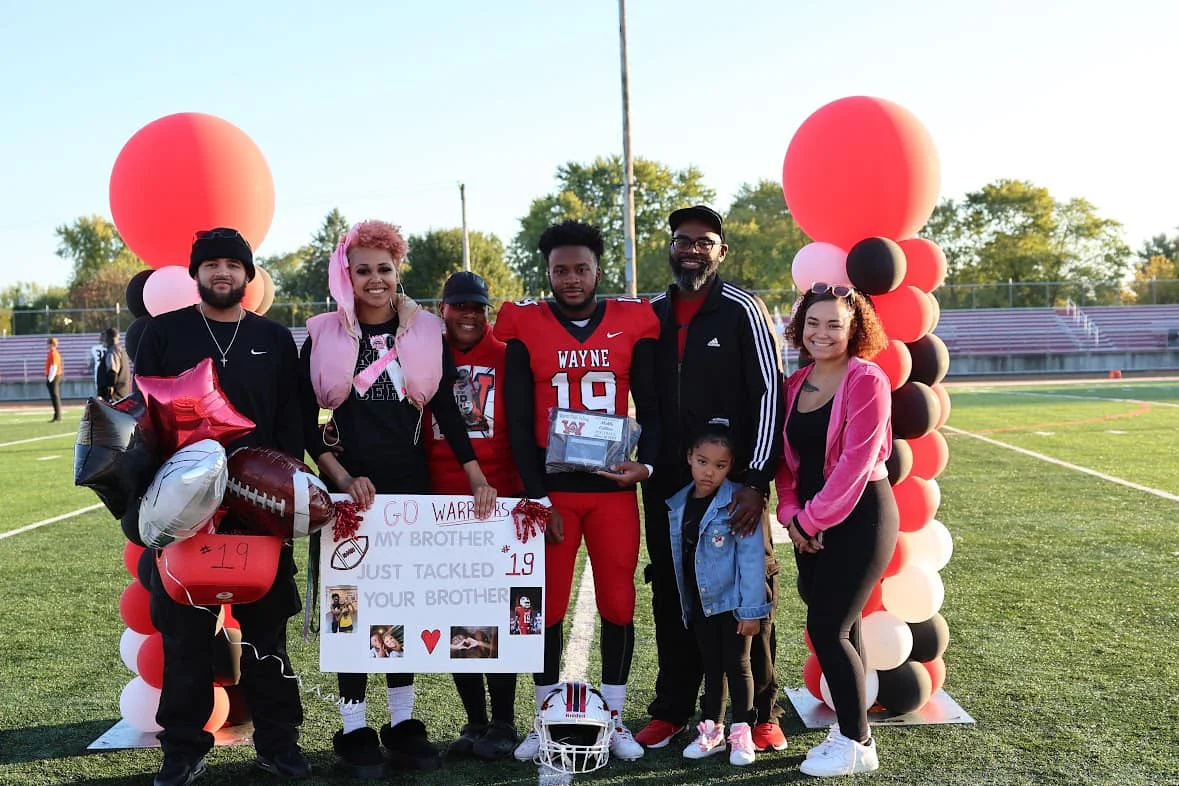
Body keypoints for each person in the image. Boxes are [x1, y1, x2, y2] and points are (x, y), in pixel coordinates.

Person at [299, 219, 497, 778]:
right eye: (362, 270)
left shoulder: (426, 330)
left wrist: (476, 475)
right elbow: (304, 420)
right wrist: (339, 476)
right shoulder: (322, 334)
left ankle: (402, 721)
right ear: (347, 274)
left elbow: (448, 413)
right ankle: (355, 725)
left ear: (397, 270)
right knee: (351, 610)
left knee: (399, 606)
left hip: (410, 490)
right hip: (350, 494)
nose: (375, 279)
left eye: (384, 269)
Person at [134, 227, 310, 785]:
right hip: (187, 510)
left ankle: (278, 743)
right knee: (185, 637)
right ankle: (182, 748)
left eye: (233, 265)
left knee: (267, 633)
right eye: (211, 265)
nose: (222, 274)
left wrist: (281, 496)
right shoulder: (163, 333)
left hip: (259, 506)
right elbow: (146, 421)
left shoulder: (276, 338)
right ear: (195, 274)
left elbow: (292, 423)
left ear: (248, 275)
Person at [496, 220, 658, 765]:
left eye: (580, 268)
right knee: (546, 607)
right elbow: (518, 425)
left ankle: (613, 715)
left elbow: (655, 408)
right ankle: (542, 714)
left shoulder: (633, 320)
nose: (571, 278)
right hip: (555, 492)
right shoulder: (526, 323)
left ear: (597, 270)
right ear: (547, 271)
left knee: (618, 601)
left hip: (612, 490)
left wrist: (647, 463)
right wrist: (537, 497)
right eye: (560, 269)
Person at [637, 205, 787, 753]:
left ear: (721, 251)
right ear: (671, 248)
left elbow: (771, 393)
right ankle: (674, 708)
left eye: (705, 241)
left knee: (749, 594)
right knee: (675, 592)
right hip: (667, 486)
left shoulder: (743, 308)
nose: (693, 248)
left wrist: (753, 479)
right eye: (683, 240)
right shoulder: (651, 313)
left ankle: (761, 711)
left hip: (733, 484)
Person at [775, 282, 897, 778]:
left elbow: (854, 463)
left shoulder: (867, 379)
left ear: (854, 330)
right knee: (846, 627)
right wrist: (790, 517)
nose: (822, 333)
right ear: (801, 328)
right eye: (813, 323)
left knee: (826, 628)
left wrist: (810, 520)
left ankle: (857, 743)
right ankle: (851, 725)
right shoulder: (794, 382)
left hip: (862, 516)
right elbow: (787, 464)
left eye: (834, 324)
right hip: (807, 523)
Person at [427, 271, 523, 761]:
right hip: (441, 504)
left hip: (500, 500)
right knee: (456, 615)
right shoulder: (427, 357)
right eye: (459, 305)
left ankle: (504, 720)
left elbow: (525, 432)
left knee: (495, 615)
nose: (468, 314)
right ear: (442, 308)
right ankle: (475, 720)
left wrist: (528, 498)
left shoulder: (508, 357)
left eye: (477, 306)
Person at [668, 425, 770, 767]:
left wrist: (751, 610)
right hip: (701, 605)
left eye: (720, 465)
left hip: (734, 604)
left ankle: (742, 731)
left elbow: (753, 559)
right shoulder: (679, 502)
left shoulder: (737, 502)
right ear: (689, 459)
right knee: (712, 668)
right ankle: (711, 731)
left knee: (739, 665)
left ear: (731, 467)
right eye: (702, 461)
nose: (709, 471)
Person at [96, 327, 132, 402]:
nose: (104, 340)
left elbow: (112, 371)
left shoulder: (113, 351)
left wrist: (110, 387)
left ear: (110, 338)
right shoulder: (120, 350)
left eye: (105, 337)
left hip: (114, 396)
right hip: (120, 393)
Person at [44, 337, 62, 422]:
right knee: (54, 397)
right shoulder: (51, 353)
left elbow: (54, 367)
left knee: (55, 396)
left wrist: (50, 378)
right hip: (52, 376)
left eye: (48, 343)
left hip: (54, 377)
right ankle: (56, 416)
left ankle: (58, 416)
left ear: (52, 344)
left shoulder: (54, 353)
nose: (47, 345)